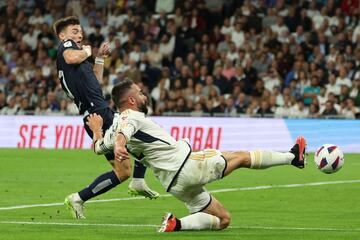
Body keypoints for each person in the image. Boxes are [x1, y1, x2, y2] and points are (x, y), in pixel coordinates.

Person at [85, 78, 307, 232]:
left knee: (223, 220)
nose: (144, 96)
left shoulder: (112, 130)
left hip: (174, 185)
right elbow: (125, 130)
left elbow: (97, 148)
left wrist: (97, 131)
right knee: (240, 157)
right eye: (140, 93)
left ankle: (176, 224)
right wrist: (120, 145)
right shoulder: (130, 117)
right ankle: (292, 158)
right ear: (131, 101)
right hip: (187, 166)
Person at [53, 16, 159, 219]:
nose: (79, 34)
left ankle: (78, 198)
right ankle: (138, 180)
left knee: (122, 171)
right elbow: (71, 57)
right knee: (140, 132)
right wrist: (87, 50)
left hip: (96, 111)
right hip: (98, 113)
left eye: (80, 31)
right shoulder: (68, 49)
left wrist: (99, 57)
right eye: (74, 31)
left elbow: (96, 81)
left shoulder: (78, 60)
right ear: (62, 36)